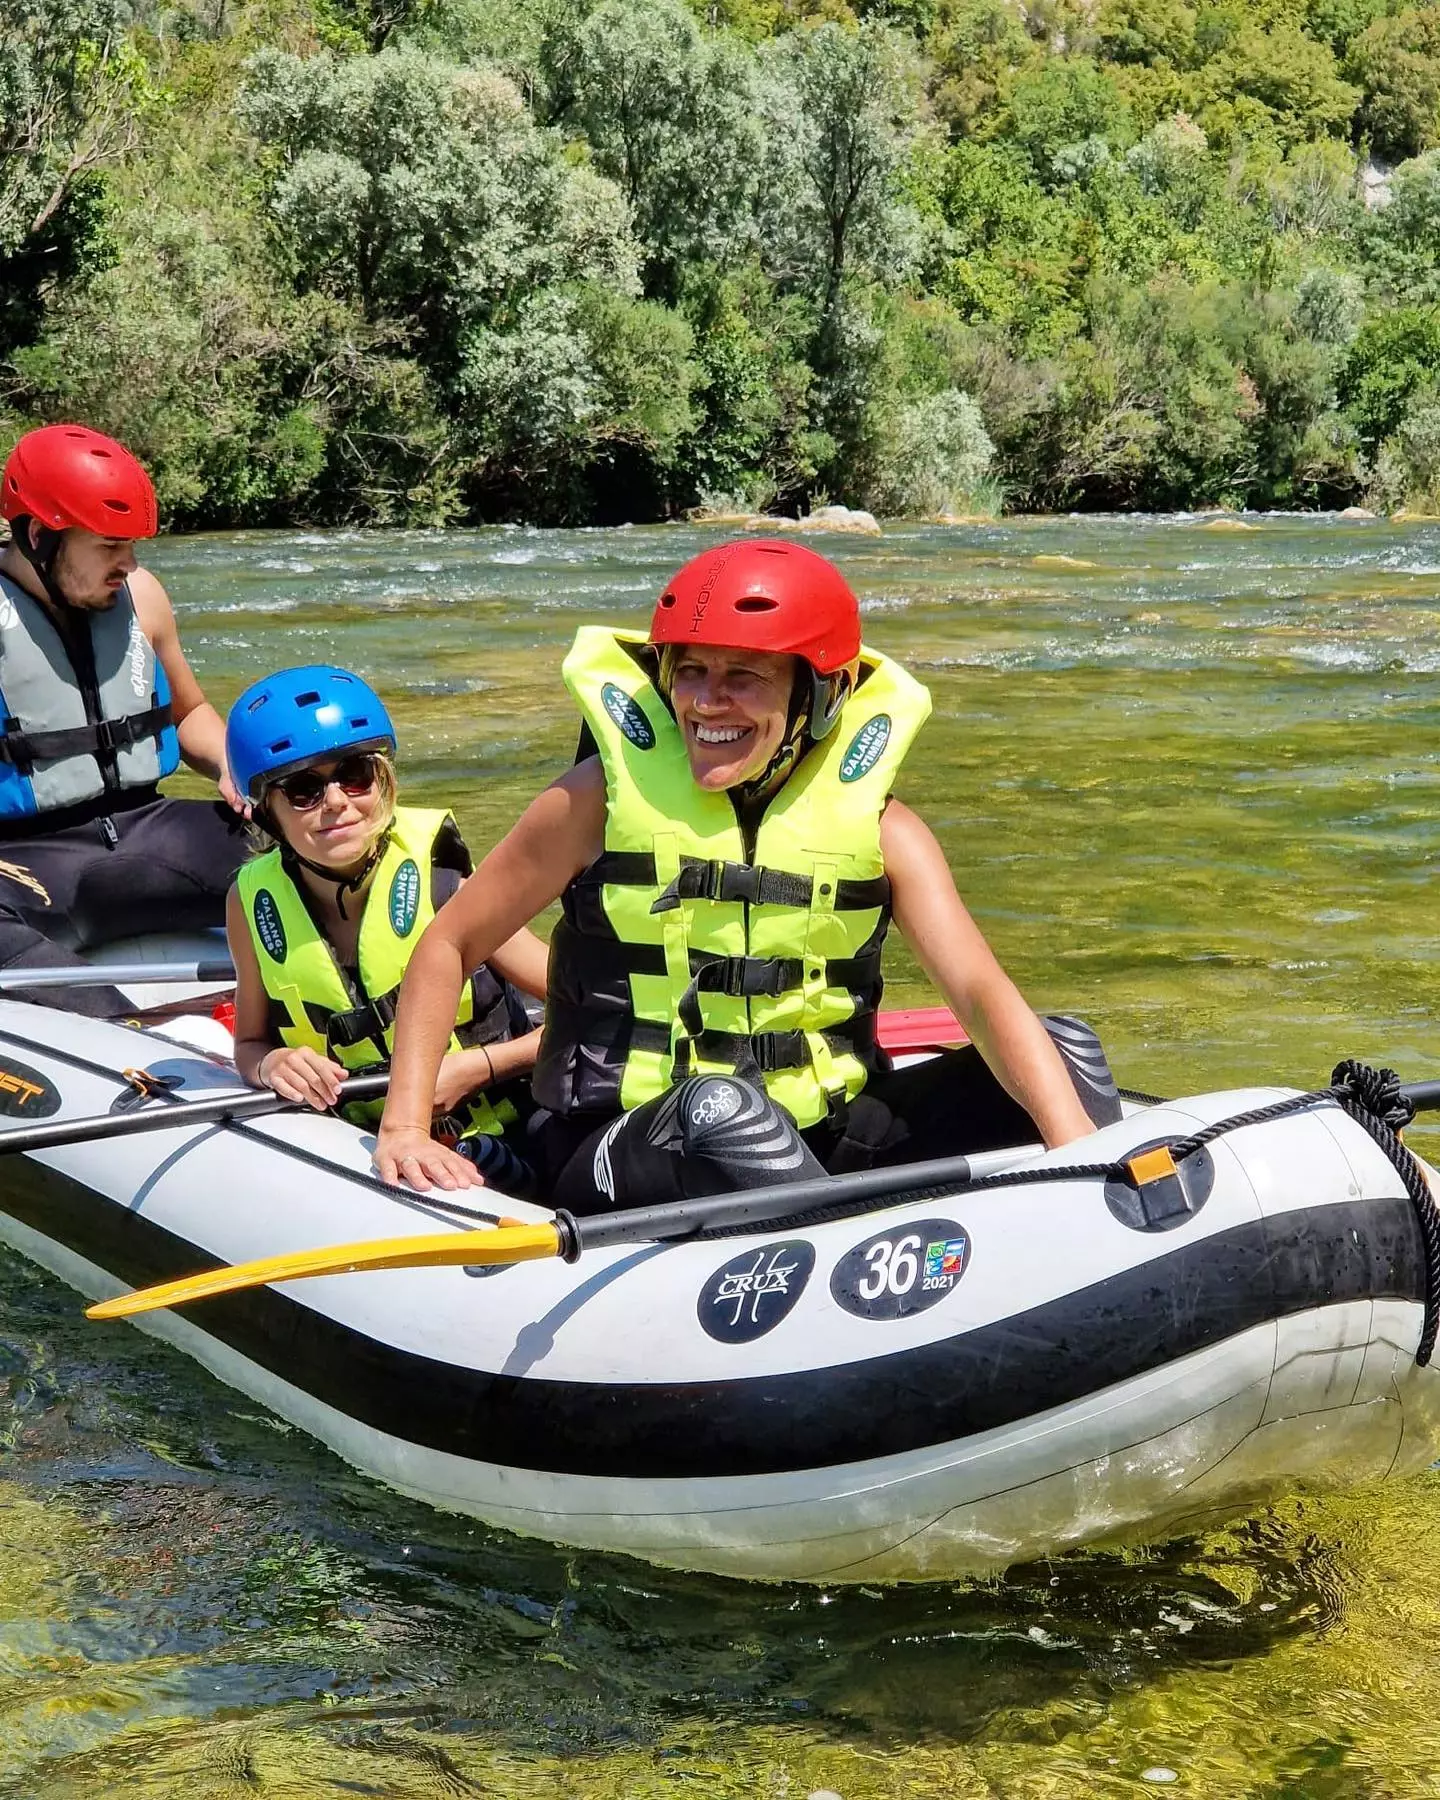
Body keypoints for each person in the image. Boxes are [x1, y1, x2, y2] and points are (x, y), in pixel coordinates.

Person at [373, 538, 1119, 1202]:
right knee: (719, 1108)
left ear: (822, 696)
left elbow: (979, 991)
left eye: (745, 677)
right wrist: (404, 1126)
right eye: (690, 671)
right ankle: (840, 1278)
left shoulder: (887, 829)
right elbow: (447, 946)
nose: (706, 702)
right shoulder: (592, 802)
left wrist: (1077, 1148)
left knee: (1064, 1051)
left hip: (823, 1132)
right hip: (618, 1140)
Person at [224, 664, 548, 1190]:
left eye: (354, 775)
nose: (336, 803)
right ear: (266, 814)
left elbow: (593, 1015)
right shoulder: (250, 902)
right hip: (364, 1147)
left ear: (383, 780)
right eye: (303, 789)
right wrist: (271, 1065)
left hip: (511, 1130)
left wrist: (479, 1067)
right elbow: (250, 1044)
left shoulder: (448, 884)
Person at [0, 422, 246, 1016]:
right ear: (39, 535)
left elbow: (188, 712)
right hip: (31, 860)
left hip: (151, 830)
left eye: (132, 545)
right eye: (109, 547)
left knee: (328, 843)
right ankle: (122, 1032)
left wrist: (232, 764)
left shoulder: (143, 595)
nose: (128, 564)